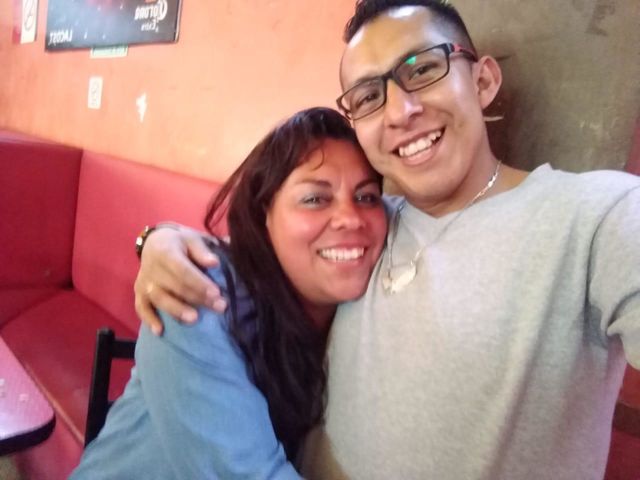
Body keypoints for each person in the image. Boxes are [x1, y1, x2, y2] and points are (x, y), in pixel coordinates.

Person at [135, 1, 640, 479]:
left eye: (423, 69)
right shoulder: (374, 224)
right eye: (369, 96)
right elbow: (261, 246)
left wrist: (159, 238)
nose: (400, 111)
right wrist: (161, 238)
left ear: (483, 80)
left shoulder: (596, 217)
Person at [69, 107, 387, 479]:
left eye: (367, 197)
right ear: (264, 212)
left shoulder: (375, 272)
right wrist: (156, 239)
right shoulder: (197, 294)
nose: (351, 218)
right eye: (315, 199)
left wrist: (160, 235)